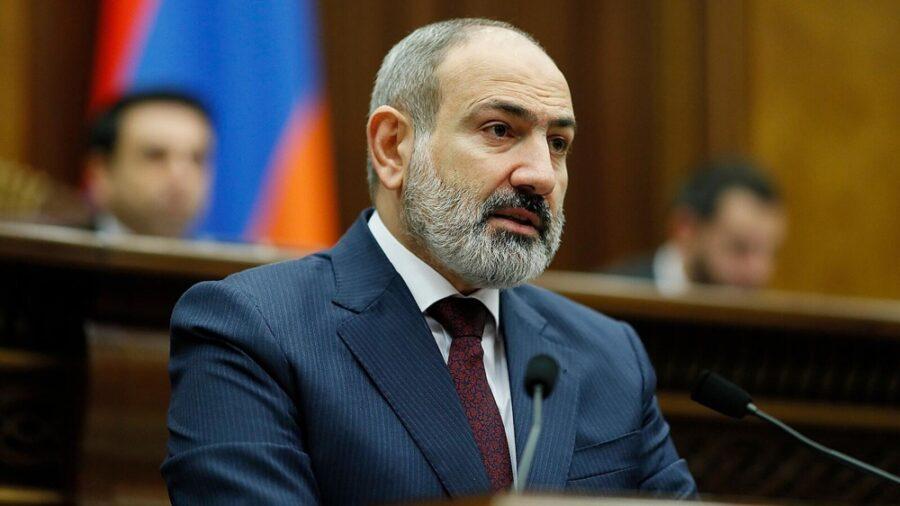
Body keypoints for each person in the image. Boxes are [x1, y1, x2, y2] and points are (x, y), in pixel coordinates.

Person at [162, 19, 696, 504]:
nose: (541, 175)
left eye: (557, 143)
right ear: (393, 147)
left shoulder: (610, 355)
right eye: (500, 130)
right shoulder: (253, 328)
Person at [606, 160, 786, 295]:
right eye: (739, 248)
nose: (759, 271)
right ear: (685, 228)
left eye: (770, 252)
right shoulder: (614, 297)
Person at [85, 90, 213, 237]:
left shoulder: (224, 251)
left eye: (197, 159)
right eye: (156, 156)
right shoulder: (64, 248)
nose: (181, 175)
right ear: (101, 172)